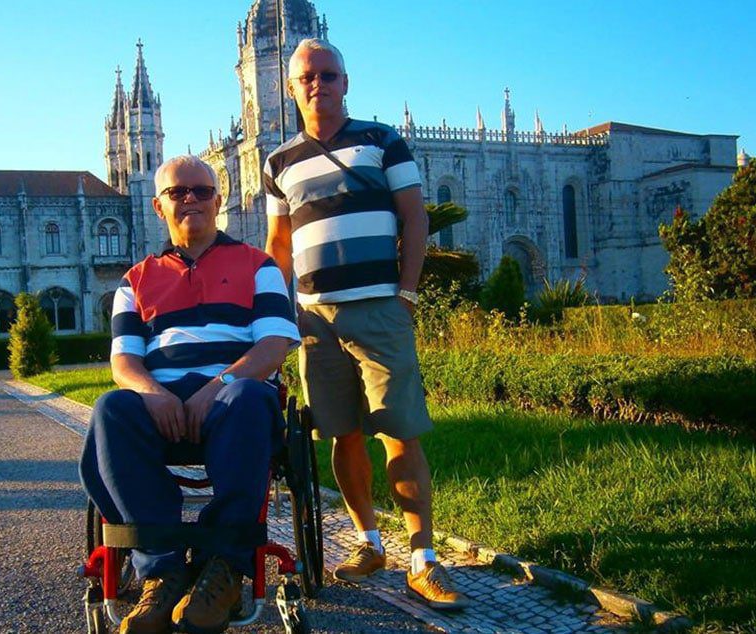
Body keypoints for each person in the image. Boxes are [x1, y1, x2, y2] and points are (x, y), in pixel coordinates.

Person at [264, 38, 467, 611]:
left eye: (328, 75)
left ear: (345, 82)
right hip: (313, 318)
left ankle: (423, 560)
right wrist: (273, 313)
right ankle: (370, 542)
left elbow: (415, 215)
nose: (317, 85)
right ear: (291, 86)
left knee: (399, 430)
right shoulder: (278, 161)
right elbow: (279, 244)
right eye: (306, 77)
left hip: (380, 308)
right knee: (340, 432)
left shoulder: (382, 140)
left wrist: (405, 292)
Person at [80, 154, 300, 634]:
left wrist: (216, 385)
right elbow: (124, 362)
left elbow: (273, 345)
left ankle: (222, 566)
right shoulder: (134, 281)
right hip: (160, 402)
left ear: (219, 201)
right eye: (178, 193)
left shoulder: (258, 266)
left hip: (232, 399)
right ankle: (161, 570)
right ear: (158, 207)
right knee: (112, 409)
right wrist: (153, 393)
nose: (191, 200)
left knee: (245, 397)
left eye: (201, 191)